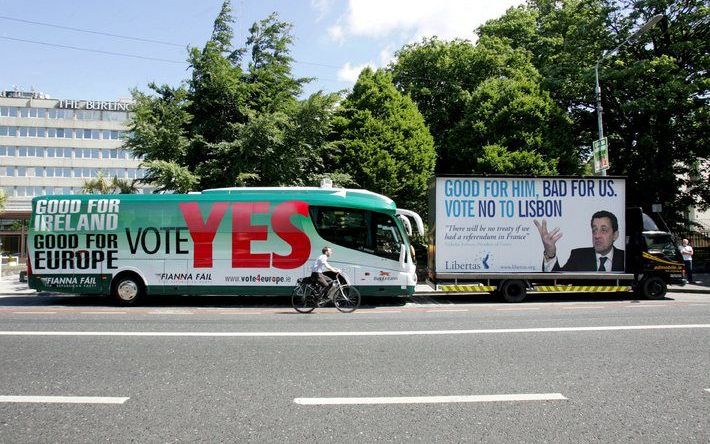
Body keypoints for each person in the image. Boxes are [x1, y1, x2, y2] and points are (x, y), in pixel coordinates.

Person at [534, 210, 625, 272]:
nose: (597, 236)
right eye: (594, 230)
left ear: (615, 235)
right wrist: (550, 253)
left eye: (603, 230)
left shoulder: (624, 258)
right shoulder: (578, 256)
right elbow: (557, 281)